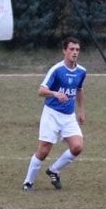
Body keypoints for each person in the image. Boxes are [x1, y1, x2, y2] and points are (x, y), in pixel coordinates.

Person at [22, 37, 87, 191]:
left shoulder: (81, 71)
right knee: (44, 151)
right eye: (71, 49)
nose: (75, 52)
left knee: (77, 147)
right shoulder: (56, 70)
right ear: (64, 51)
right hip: (51, 114)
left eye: (77, 50)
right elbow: (41, 91)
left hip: (69, 116)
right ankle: (28, 182)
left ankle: (53, 170)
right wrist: (55, 93)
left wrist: (81, 110)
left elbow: (79, 89)